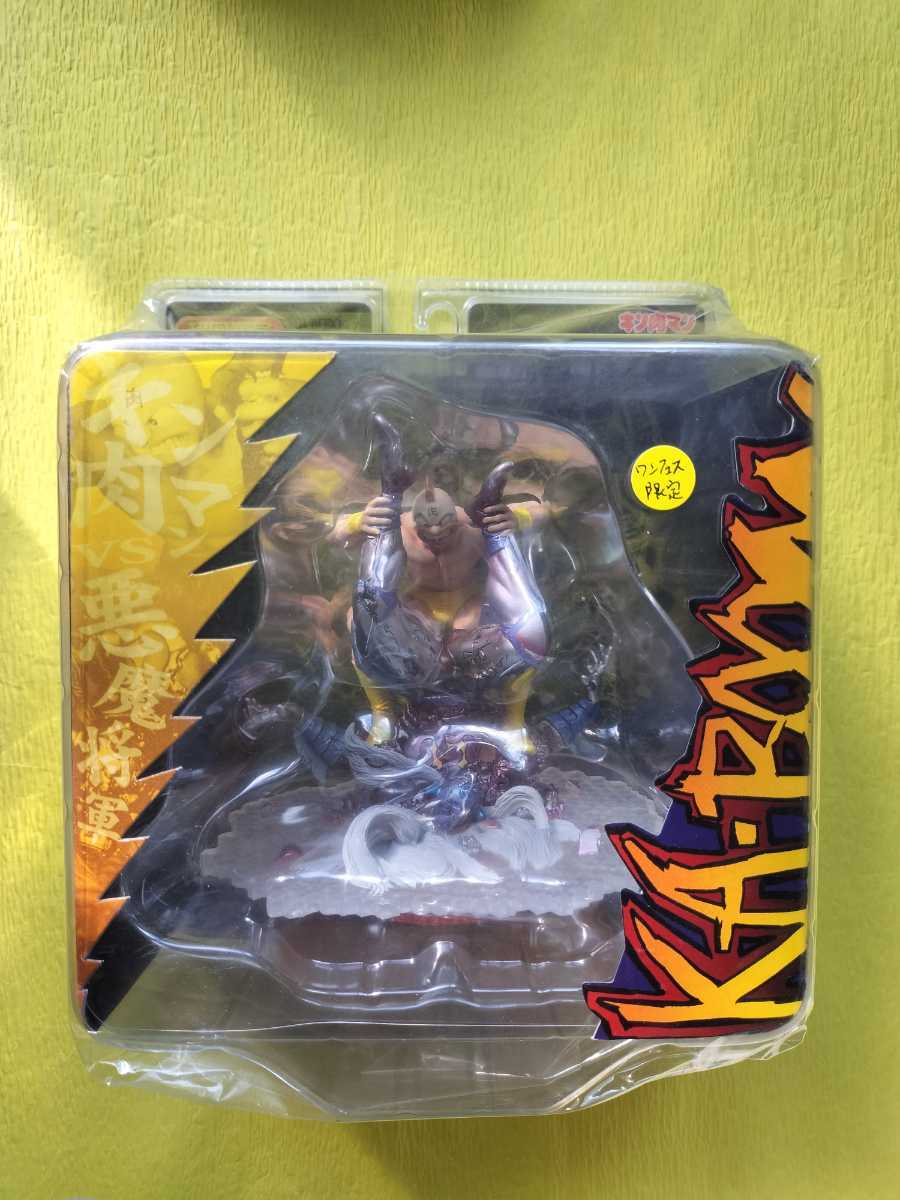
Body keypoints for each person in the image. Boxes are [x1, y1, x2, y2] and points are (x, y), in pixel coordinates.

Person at [332, 413, 550, 746]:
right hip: (415, 616)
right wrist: (355, 523)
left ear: (458, 520)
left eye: (445, 530)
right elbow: (330, 532)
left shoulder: (474, 525)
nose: (435, 537)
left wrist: (514, 518)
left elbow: (547, 510)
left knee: (535, 634)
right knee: (358, 620)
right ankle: (382, 713)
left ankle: (513, 723)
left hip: (473, 616)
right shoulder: (400, 526)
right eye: (426, 532)